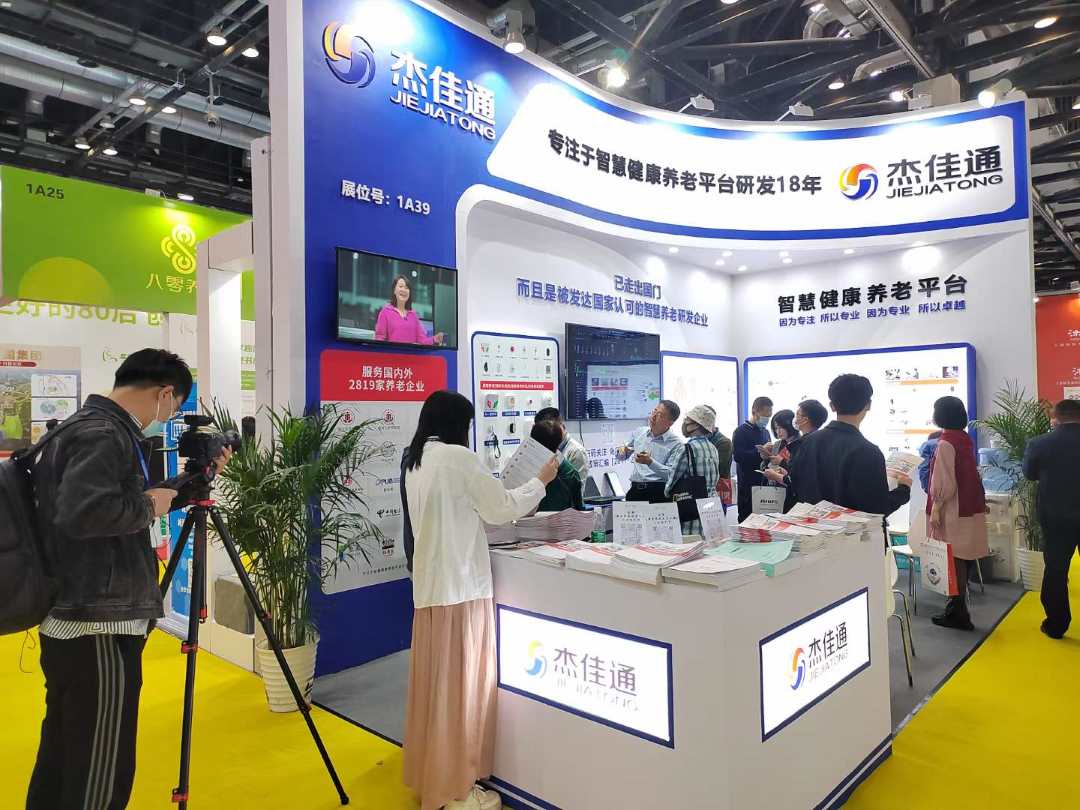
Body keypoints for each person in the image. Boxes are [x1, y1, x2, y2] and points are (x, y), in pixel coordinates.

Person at [26, 349, 229, 810]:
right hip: (97, 624)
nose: (168, 418)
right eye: (173, 408)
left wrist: (184, 486)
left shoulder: (84, 428)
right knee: (99, 768)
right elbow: (86, 514)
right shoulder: (103, 434)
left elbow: (114, 507)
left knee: (64, 754)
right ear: (164, 394)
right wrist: (150, 504)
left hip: (78, 616)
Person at [402, 390, 557, 810]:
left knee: (437, 692)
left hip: (432, 590)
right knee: (462, 692)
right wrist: (540, 481)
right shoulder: (457, 459)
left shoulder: (416, 460)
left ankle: (434, 776)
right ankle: (456, 787)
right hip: (462, 589)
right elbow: (501, 508)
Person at [789, 375, 911, 522]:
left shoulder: (807, 442)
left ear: (832, 405)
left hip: (810, 529)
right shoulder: (868, 451)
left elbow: (796, 485)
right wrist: (903, 490)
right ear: (868, 405)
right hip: (852, 533)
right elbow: (877, 509)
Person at [925, 396, 988, 631]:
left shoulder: (945, 442)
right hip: (970, 506)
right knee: (964, 556)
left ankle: (958, 611)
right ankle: (957, 610)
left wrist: (937, 507)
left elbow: (944, 481)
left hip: (953, 509)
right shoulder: (964, 438)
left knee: (953, 557)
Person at [1023, 398, 1080, 640]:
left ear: (1056, 418)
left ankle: (1056, 624)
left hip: (1056, 516)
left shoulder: (1040, 443)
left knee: (1056, 570)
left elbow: (1029, 473)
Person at [665, 405, 722, 535]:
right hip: (713, 506)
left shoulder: (686, 448)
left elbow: (672, 481)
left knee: (691, 543)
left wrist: (667, 492)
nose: (685, 423)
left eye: (688, 420)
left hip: (692, 508)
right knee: (710, 543)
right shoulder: (713, 448)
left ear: (696, 425)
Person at [762, 399, 829, 510]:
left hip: (803, 500)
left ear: (805, 420)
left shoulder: (806, 443)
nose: (795, 418)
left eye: (797, 414)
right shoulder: (814, 440)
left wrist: (778, 473)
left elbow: (799, 478)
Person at [615, 400, 683, 503]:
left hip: (659, 493)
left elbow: (672, 474)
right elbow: (622, 456)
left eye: (660, 415)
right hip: (635, 490)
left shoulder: (676, 444)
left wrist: (650, 462)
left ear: (670, 423)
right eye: (654, 411)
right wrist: (621, 451)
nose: (653, 416)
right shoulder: (639, 432)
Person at [732, 397, 773, 521]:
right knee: (747, 519)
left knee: (764, 521)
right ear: (754, 412)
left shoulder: (765, 432)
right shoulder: (741, 431)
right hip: (747, 485)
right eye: (765, 416)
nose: (767, 419)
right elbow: (738, 456)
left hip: (764, 484)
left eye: (769, 416)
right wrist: (759, 452)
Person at [530, 420, 585, 512]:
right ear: (560, 440)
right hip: (564, 520)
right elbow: (579, 509)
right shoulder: (570, 472)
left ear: (532, 439)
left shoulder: (522, 468)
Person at [374, 275, 445, 346]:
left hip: (411, 353)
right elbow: (379, 339)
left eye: (407, 288)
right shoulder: (385, 312)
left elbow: (422, 341)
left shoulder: (413, 315)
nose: (404, 290)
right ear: (394, 291)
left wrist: (435, 339)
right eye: (401, 286)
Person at [534, 406, 589, 482]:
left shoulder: (576, 452)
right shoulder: (546, 447)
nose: (549, 434)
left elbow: (577, 486)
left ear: (562, 426)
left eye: (551, 429)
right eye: (543, 431)